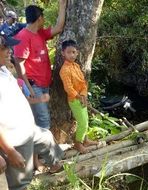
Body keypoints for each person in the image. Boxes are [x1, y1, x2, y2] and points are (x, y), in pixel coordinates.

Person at [0, 35, 63, 190]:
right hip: (14, 140)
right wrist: (10, 152)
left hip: (26, 130)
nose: (10, 51)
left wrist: (39, 100)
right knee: (21, 183)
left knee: (47, 138)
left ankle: (55, 165)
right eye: (4, 48)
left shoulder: (4, 70)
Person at [14, 1, 67, 129]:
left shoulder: (40, 33)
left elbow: (58, 28)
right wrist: (28, 88)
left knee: (41, 118)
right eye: (43, 17)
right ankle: (46, 148)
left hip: (45, 85)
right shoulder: (23, 37)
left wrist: (62, 6)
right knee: (43, 120)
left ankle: (40, 146)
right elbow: (18, 64)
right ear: (39, 18)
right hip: (33, 86)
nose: (44, 20)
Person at [59, 40, 98, 153]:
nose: (72, 55)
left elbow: (83, 82)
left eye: (74, 52)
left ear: (77, 53)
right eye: (69, 52)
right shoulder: (64, 70)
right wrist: (79, 96)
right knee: (83, 123)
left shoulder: (76, 66)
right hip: (74, 100)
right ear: (63, 53)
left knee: (86, 119)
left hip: (82, 97)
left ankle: (85, 140)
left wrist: (84, 95)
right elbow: (68, 88)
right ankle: (78, 143)